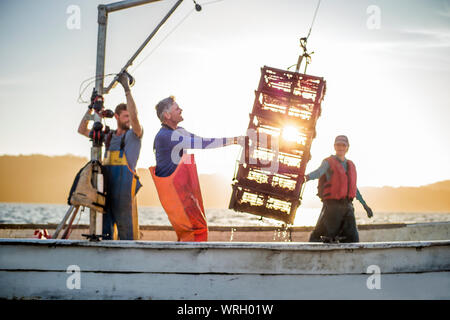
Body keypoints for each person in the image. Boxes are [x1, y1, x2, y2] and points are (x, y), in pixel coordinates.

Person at [150, 96, 243, 241]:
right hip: (175, 196)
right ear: (167, 115)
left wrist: (233, 140)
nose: (181, 109)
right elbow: (201, 144)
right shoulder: (166, 136)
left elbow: (201, 140)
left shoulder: (179, 131)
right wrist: (234, 140)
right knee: (193, 233)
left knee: (197, 231)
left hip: (185, 194)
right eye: (176, 108)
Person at [77, 73, 143, 240]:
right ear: (117, 116)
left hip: (124, 196)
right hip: (105, 193)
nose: (129, 120)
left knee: (127, 236)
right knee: (105, 234)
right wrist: (91, 108)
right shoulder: (109, 136)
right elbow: (82, 129)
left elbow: (135, 118)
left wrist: (127, 89)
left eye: (130, 116)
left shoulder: (133, 136)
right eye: (126, 116)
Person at [305, 135, 373, 243]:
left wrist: (365, 206)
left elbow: (354, 188)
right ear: (334, 146)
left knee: (353, 238)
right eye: (338, 145)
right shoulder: (328, 162)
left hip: (348, 207)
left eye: (343, 145)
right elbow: (318, 173)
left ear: (347, 147)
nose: (340, 148)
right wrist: (305, 178)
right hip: (331, 207)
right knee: (322, 236)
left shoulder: (350, 165)